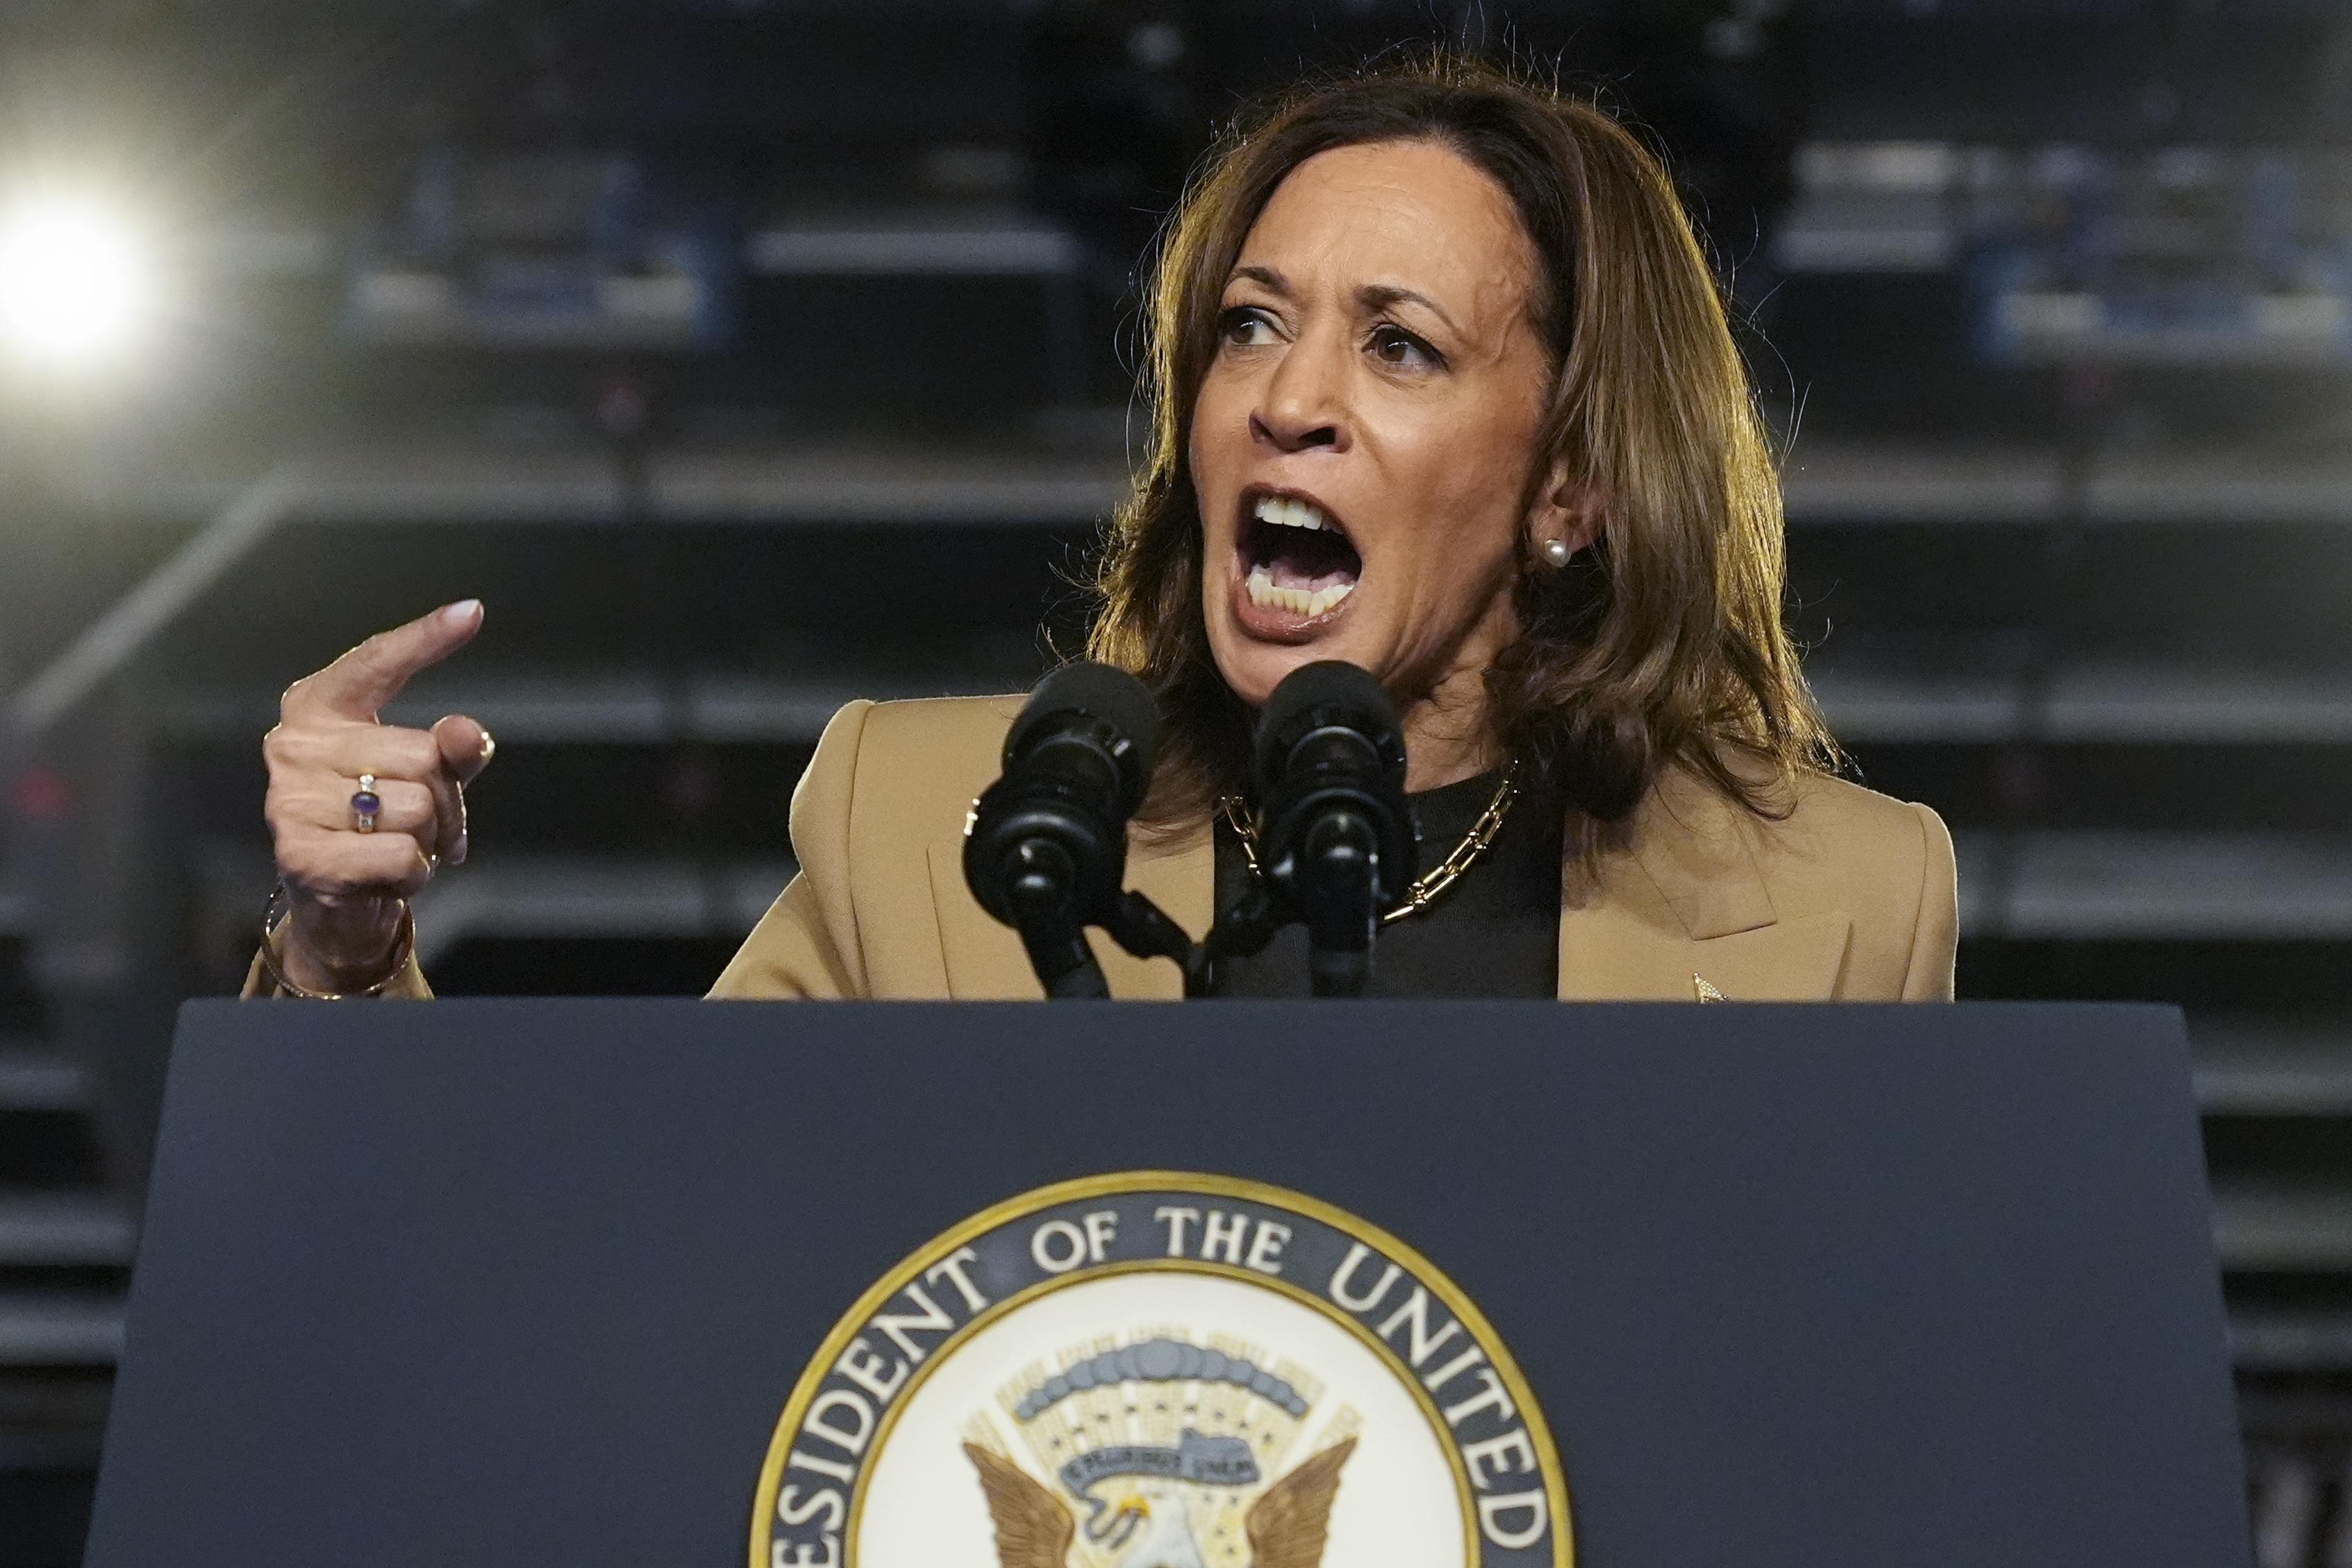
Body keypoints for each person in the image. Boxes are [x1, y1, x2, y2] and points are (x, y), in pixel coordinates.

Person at [250, 58, 1955, 1004]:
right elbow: (633, 1283)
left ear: (1572, 485)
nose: (1288, 400)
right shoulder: (917, 832)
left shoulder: (1851, 907)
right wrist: (345, 957)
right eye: (1250, 324)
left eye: (1398, 345)